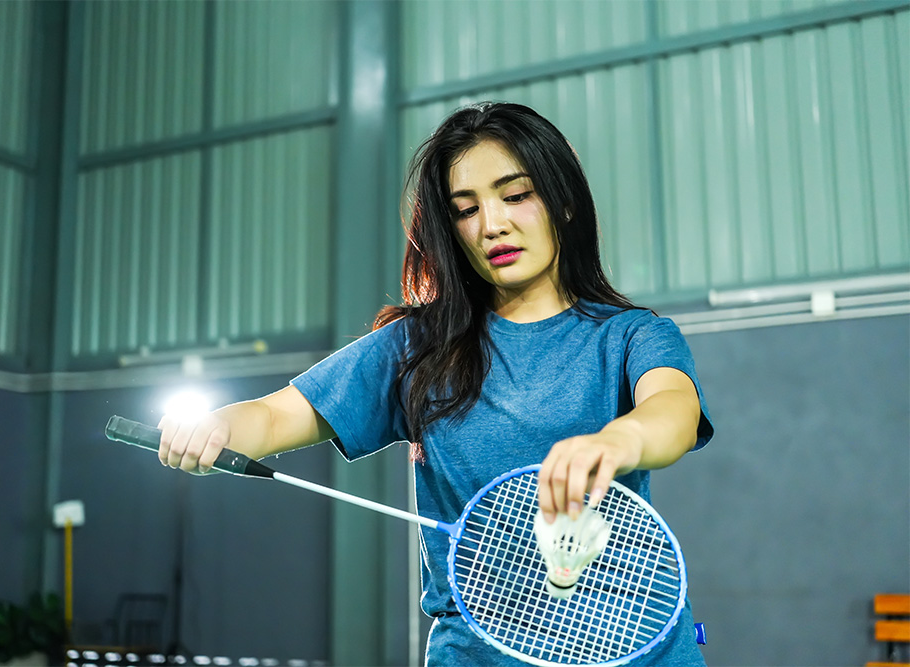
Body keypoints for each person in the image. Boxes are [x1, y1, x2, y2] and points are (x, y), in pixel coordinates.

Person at [157, 102, 714, 666]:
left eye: (516, 195)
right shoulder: (417, 346)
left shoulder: (633, 335)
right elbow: (275, 415)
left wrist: (618, 441)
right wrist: (218, 426)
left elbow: (672, 410)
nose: (492, 224)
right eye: (465, 210)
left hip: (639, 651)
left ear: (564, 203)